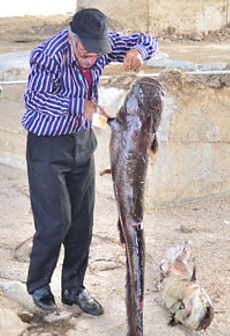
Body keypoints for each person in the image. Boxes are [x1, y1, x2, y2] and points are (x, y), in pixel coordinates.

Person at [21, 8, 159, 315]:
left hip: (82, 142)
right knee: (55, 224)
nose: (91, 59)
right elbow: (35, 99)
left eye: (98, 54)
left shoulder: (100, 45)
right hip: (47, 146)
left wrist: (139, 51)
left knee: (82, 223)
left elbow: (148, 40)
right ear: (73, 39)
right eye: (85, 53)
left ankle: (74, 288)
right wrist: (78, 105)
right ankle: (39, 285)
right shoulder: (48, 55)